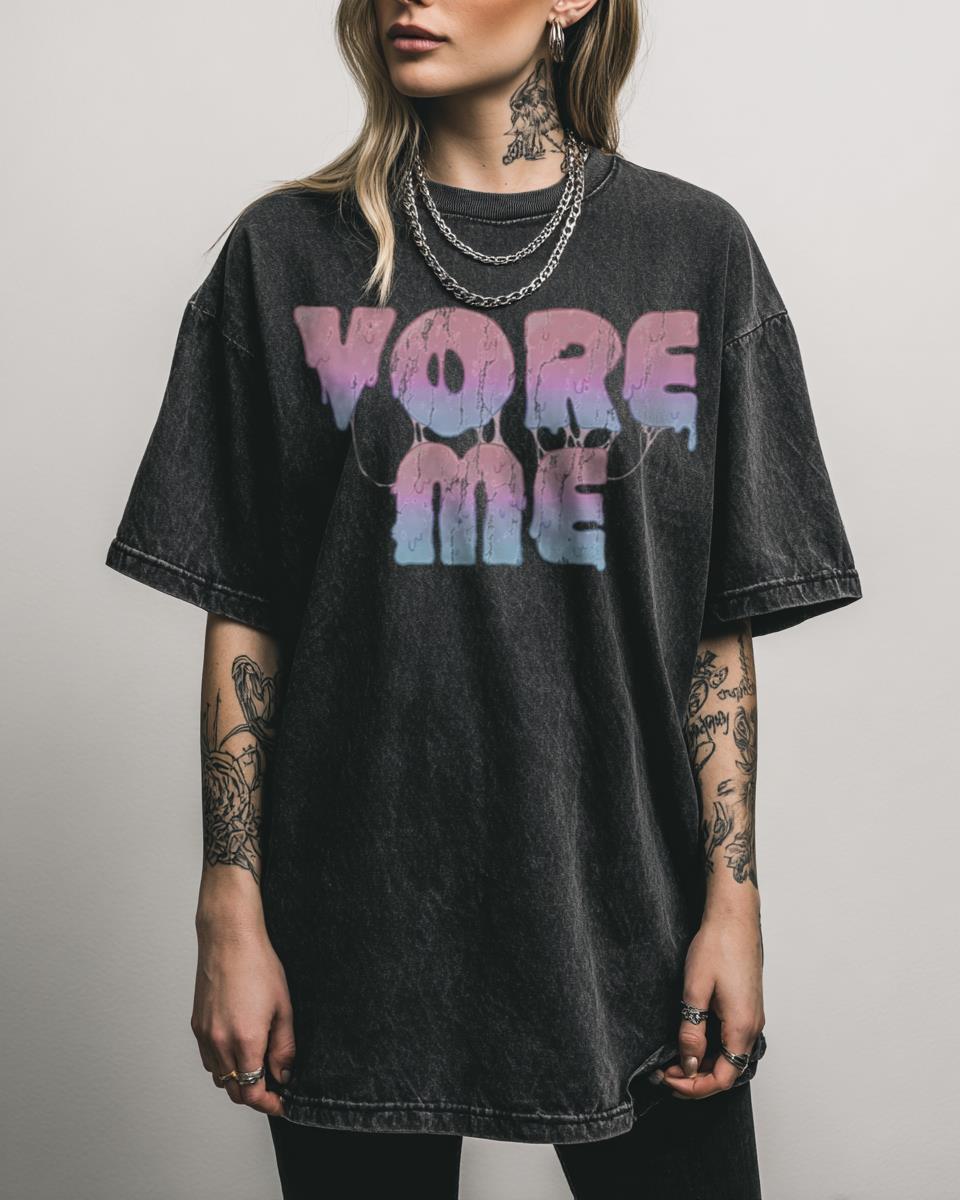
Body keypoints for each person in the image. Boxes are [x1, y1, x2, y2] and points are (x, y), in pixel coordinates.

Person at [104, 0, 863, 1196]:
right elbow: (245, 608)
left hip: (632, 918)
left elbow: (714, 631)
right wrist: (229, 905)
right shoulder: (284, 253)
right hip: (352, 925)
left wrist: (734, 901)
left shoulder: (694, 251)